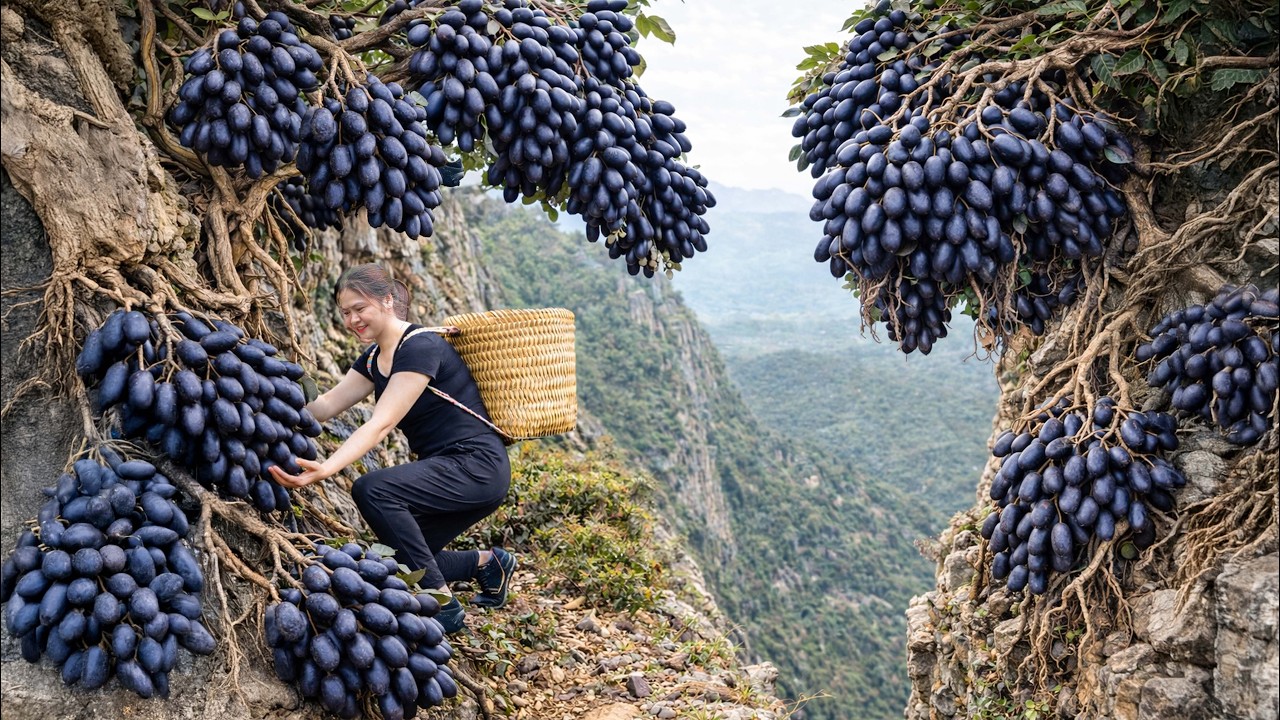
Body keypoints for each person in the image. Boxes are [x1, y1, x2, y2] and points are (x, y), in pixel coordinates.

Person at [269, 263, 516, 633]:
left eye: (360, 308)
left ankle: (444, 607)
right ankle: (487, 564)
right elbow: (324, 407)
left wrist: (326, 468)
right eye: (345, 312)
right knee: (403, 556)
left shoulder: (420, 346)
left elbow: (380, 423)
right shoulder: (372, 358)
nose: (353, 319)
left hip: (475, 465)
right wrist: (268, 397)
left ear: (387, 301)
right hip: (450, 467)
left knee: (373, 489)